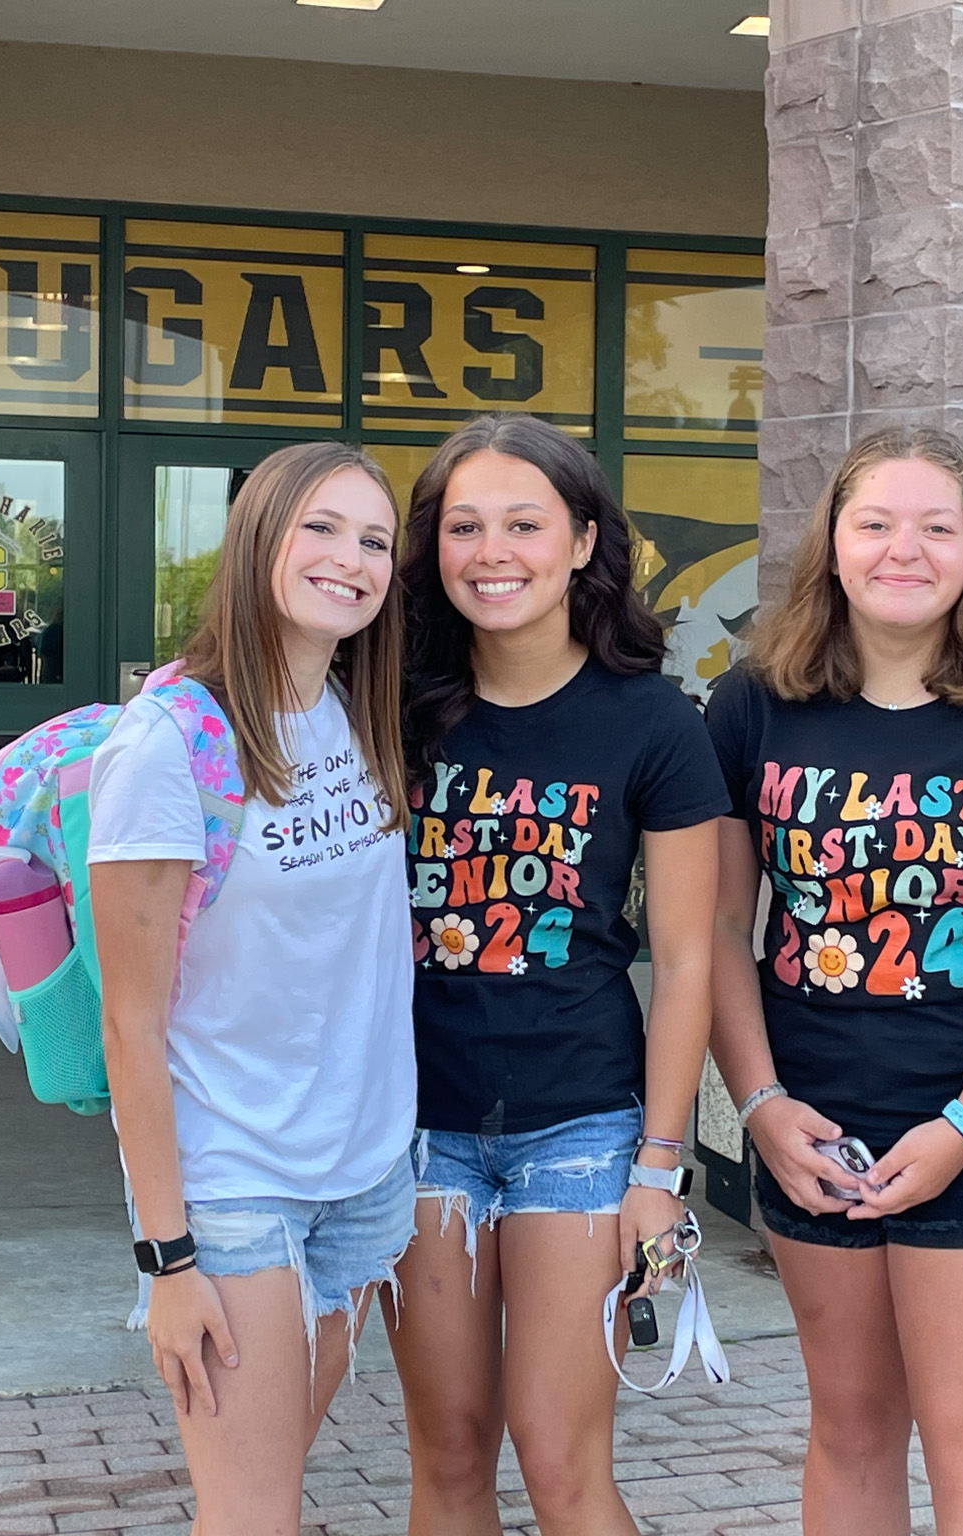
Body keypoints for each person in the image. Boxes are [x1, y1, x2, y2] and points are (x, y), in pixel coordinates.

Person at [705, 426, 963, 1536]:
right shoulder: (751, 708)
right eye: (875, 522)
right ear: (830, 545)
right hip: (810, 1121)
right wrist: (759, 1107)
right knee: (846, 1428)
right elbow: (715, 930)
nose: (904, 549)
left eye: (937, 526)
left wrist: (961, 1127)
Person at [386, 414, 726, 1536]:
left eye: (523, 524)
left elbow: (683, 962)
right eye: (464, 525)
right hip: (416, 1126)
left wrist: (658, 1167)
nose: (493, 551)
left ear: (581, 541)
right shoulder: (383, 703)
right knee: (443, 1456)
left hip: (579, 1126)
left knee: (561, 1461)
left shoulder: (652, 723)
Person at [85, 441, 416, 1535]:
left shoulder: (354, 710)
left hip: (362, 1173)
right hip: (233, 1186)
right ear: (258, 538)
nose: (350, 558)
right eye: (320, 527)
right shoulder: (171, 740)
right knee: (252, 1514)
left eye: (374, 540)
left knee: (255, 1496)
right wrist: (168, 1259)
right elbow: (129, 1024)